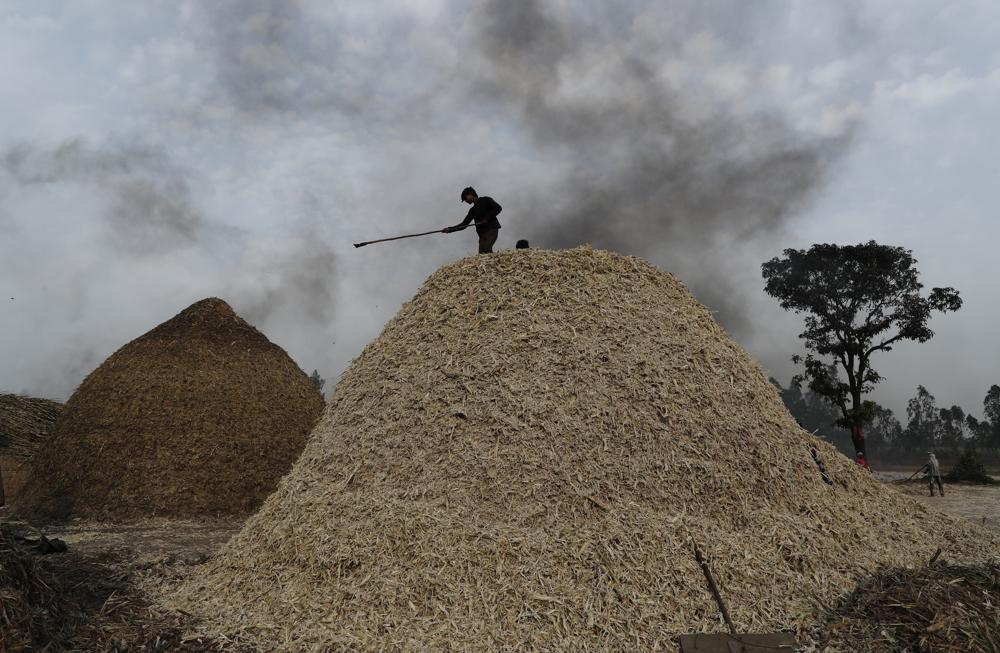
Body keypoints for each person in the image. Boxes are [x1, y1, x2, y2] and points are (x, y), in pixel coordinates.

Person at [443, 187, 502, 253]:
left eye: (465, 198)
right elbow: (464, 225)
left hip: (491, 229)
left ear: (470, 194)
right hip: (482, 234)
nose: (465, 201)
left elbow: (498, 208)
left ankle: (495, 262)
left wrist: (487, 218)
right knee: (482, 254)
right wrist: (449, 229)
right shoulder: (472, 210)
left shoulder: (486, 200)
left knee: (486, 249)